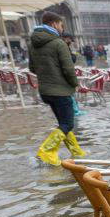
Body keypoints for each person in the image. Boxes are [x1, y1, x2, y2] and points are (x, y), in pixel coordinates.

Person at [29, 12, 83, 165]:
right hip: (61, 91)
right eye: (60, 25)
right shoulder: (59, 43)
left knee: (63, 122)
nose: (62, 28)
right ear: (53, 24)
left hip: (45, 90)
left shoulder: (32, 43)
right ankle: (46, 151)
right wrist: (74, 84)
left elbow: (32, 67)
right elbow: (68, 69)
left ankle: (75, 151)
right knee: (68, 124)